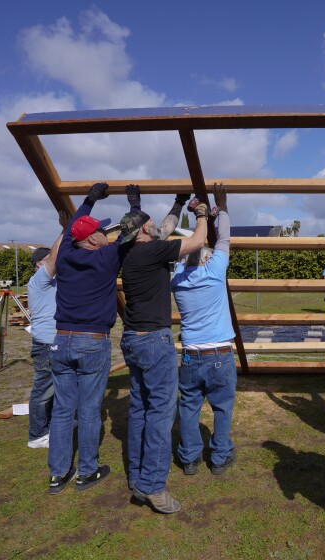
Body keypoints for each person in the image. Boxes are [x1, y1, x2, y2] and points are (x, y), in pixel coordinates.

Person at [119, 185, 209, 514]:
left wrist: (177, 202)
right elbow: (197, 241)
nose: (159, 225)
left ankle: (136, 474)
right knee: (160, 411)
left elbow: (163, 228)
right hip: (154, 341)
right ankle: (153, 487)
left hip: (132, 338)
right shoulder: (152, 251)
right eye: (150, 223)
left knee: (140, 407)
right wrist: (200, 214)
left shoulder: (127, 250)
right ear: (145, 230)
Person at [47, 182, 119, 495]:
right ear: (92, 239)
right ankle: (87, 471)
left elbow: (70, 231)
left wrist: (89, 200)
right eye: (104, 231)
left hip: (61, 341)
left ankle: (58, 475)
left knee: (63, 410)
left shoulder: (64, 256)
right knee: (89, 410)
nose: (108, 234)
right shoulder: (105, 259)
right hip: (92, 341)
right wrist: (133, 201)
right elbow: (132, 228)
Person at [171, 185, 237, 477]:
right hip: (219, 353)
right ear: (208, 258)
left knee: (189, 408)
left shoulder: (177, 280)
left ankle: (189, 458)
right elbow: (223, 237)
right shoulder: (214, 271)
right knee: (222, 409)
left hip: (190, 356)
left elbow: (169, 244)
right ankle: (220, 458)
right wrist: (221, 206)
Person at [26, 233, 62, 449]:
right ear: (39, 264)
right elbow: (55, 258)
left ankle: (53, 424)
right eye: (49, 259)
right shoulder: (39, 280)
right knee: (43, 390)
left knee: (58, 387)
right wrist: (65, 230)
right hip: (46, 344)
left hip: (56, 341)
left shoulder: (52, 282)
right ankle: (37, 435)